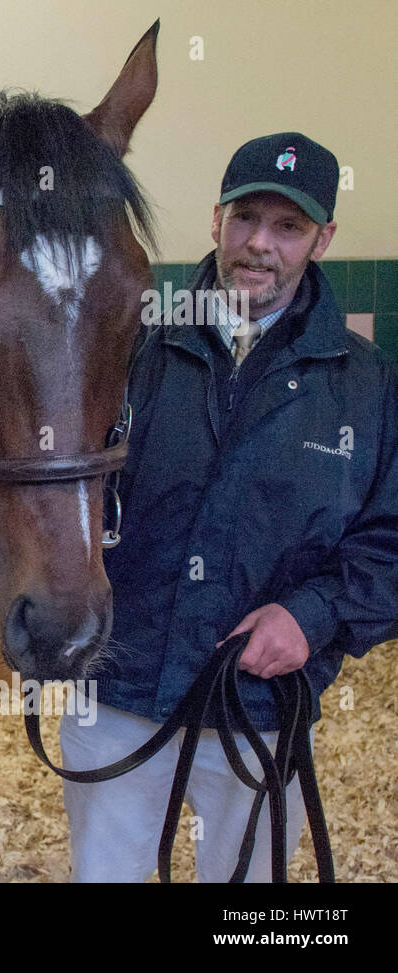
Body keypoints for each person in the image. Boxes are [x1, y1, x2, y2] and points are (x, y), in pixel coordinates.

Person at [59, 132, 398, 881]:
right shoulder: (133, 346)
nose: (259, 245)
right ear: (216, 220)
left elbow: (391, 542)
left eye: (288, 228)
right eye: (246, 219)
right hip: (118, 692)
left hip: (260, 708)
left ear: (324, 239)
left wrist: (312, 615)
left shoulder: (368, 387)